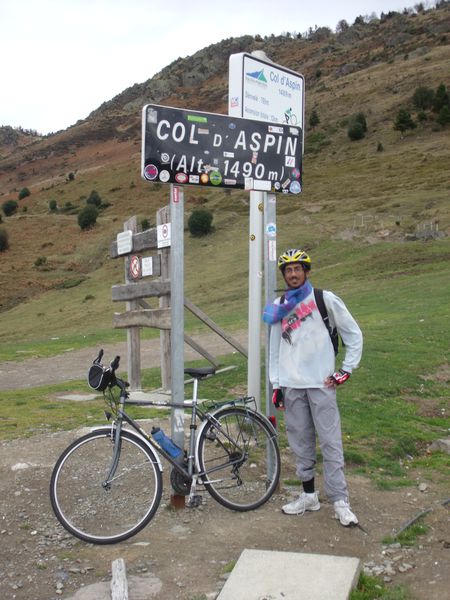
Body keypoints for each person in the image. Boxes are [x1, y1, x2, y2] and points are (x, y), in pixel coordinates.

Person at [263, 248, 363, 527]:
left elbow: (353, 334)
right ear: (283, 274)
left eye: (298, 269)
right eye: (288, 270)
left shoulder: (324, 299)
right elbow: (274, 348)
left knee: (331, 443)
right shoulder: (278, 305)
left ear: (306, 271)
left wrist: (345, 370)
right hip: (292, 385)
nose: (293, 274)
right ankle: (309, 496)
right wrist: (276, 384)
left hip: (321, 383)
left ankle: (340, 501)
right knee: (300, 444)